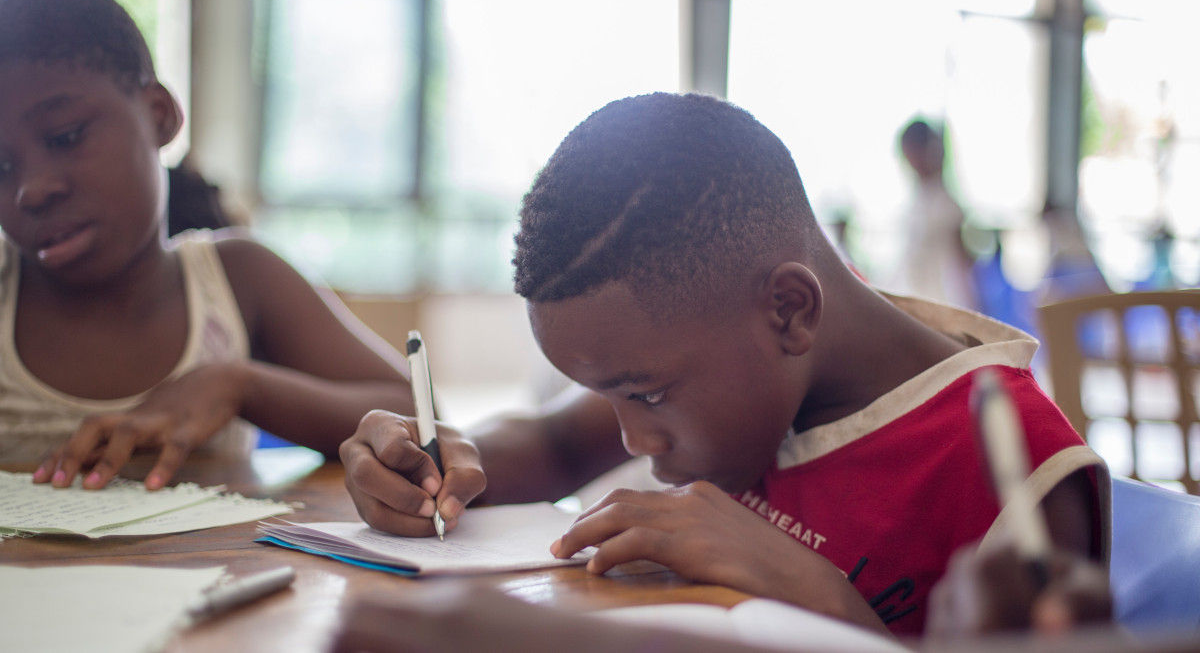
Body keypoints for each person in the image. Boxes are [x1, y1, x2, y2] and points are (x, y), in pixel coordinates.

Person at [339, 93, 1109, 637]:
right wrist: (441, 460)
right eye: (610, 400)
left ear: (788, 311)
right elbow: (557, 445)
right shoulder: (742, 356)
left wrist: (821, 596)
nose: (634, 440)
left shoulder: (1020, 472)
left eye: (646, 394)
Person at [0, 0, 414, 490]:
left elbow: (420, 415)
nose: (30, 191)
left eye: (65, 136)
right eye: (0, 166)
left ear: (159, 116)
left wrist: (238, 385)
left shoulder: (237, 279)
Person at [895, 119, 977, 310]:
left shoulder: (944, 203)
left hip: (944, 304)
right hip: (918, 302)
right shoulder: (917, 201)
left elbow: (962, 264)